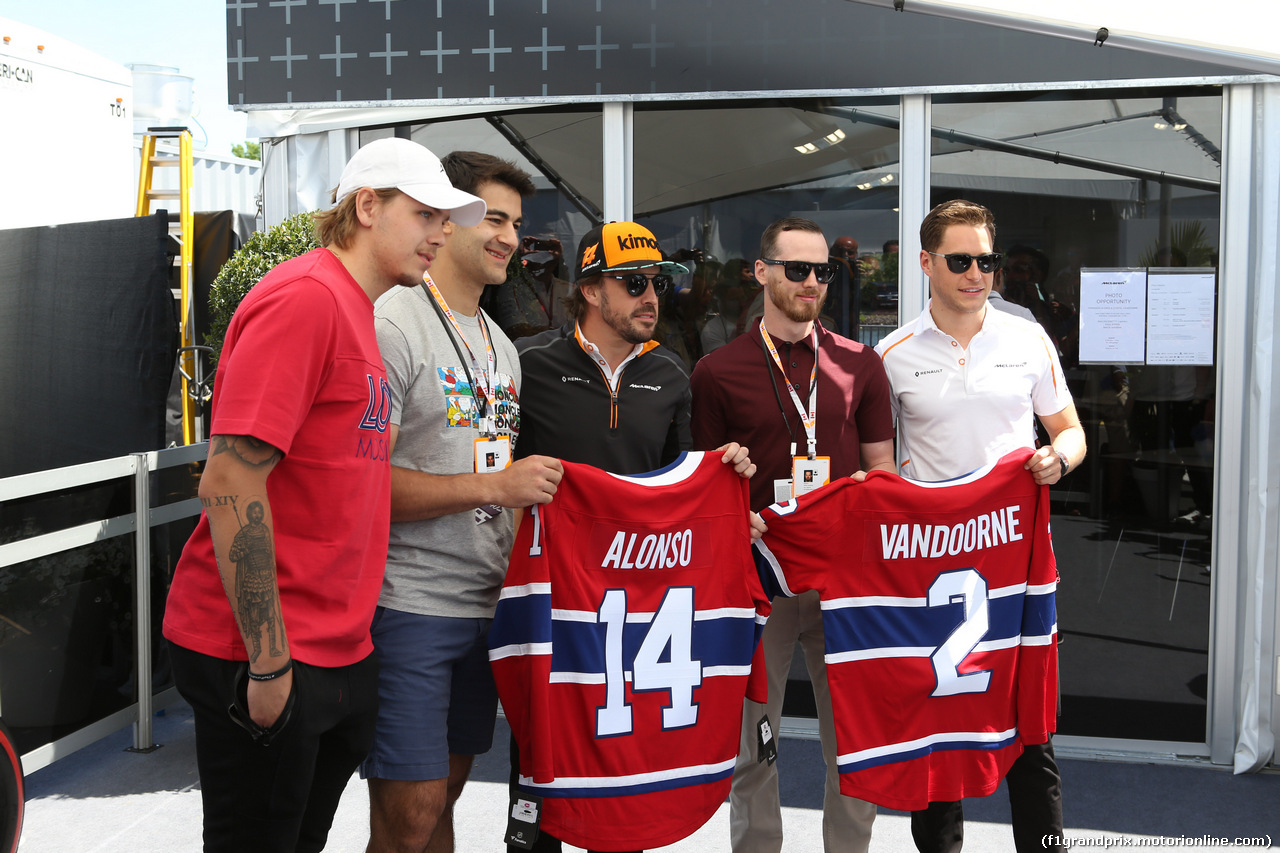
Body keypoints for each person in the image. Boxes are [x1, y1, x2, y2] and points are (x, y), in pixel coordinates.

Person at [162, 137, 488, 853]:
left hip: (335, 648)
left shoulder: (354, 308)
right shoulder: (305, 299)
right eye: (426, 212)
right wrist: (270, 659)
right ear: (366, 206)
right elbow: (229, 477)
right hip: (264, 651)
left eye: (447, 217)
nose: (443, 231)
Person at [510, 220, 757, 853]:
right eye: (635, 283)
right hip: (554, 603)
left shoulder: (673, 371)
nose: (653, 296)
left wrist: (724, 479)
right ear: (592, 291)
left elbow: (681, 484)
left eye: (660, 283)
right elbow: (500, 477)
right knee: (539, 774)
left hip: (637, 608)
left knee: (623, 770)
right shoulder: (528, 363)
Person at [360, 151, 565, 853]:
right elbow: (360, 485)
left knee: (443, 804)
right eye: (494, 218)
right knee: (407, 814)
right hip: (408, 605)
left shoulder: (502, 347)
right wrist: (492, 485)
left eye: (517, 222)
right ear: (447, 221)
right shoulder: (394, 322)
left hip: (485, 608)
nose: (509, 236)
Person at [874, 199, 1087, 853]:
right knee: (937, 733)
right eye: (960, 259)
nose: (975, 273)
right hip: (933, 572)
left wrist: (1059, 458)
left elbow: (1071, 431)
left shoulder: (1027, 339)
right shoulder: (893, 354)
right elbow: (879, 471)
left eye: (986, 260)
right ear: (925, 263)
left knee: (1030, 727)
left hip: (1016, 568)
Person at [690, 216, 897, 853]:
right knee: (755, 741)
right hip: (758, 581)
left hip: (844, 582)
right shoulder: (718, 371)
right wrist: (735, 515)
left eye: (822, 272)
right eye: (796, 269)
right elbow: (705, 485)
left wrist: (856, 502)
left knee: (856, 743)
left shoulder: (860, 364)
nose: (811, 283)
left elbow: (882, 472)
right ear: (762, 272)